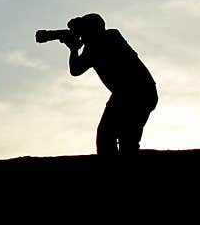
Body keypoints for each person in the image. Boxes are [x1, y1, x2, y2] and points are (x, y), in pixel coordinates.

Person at [62, 14, 158, 155]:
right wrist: (74, 49)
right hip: (130, 94)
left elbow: (77, 68)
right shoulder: (96, 45)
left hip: (136, 92)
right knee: (115, 137)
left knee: (116, 136)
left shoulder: (109, 37)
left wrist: (75, 46)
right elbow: (76, 70)